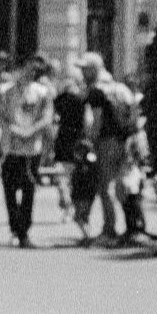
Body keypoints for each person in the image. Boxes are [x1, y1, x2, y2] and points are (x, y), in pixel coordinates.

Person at [79, 54, 146, 245]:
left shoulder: (97, 91)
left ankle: (109, 229)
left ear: (94, 69)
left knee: (105, 186)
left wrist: (89, 140)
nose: (82, 73)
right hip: (125, 141)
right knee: (125, 183)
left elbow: (97, 121)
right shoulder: (120, 87)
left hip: (107, 142)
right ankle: (133, 226)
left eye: (85, 69)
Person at [51, 59, 98, 240]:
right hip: (78, 143)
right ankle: (73, 207)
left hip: (63, 139)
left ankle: (67, 204)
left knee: (62, 175)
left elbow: (54, 119)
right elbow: (88, 121)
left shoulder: (60, 99)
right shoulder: (82, 99)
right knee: (75, 178)